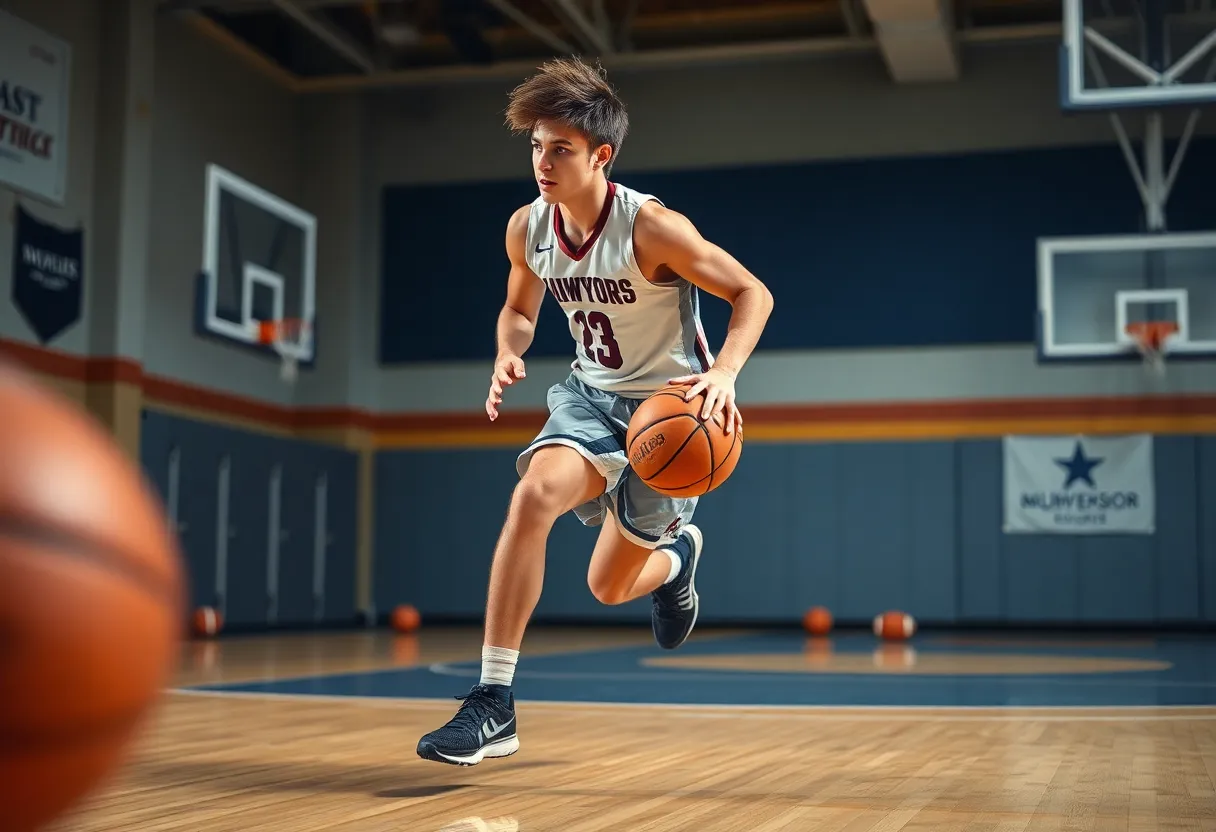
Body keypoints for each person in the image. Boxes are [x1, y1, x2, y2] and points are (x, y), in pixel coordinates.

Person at [416, 57, 774, 767]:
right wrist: (507, 350)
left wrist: (725, 375)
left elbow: (752, 293)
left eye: (561, 149)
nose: (542, 163)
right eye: (535, 147)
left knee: (608, 588)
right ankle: (493, 702)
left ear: (601, 156)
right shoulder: (528, 228)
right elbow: (520, 309)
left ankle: (677, 561)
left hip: (671, 413)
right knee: (532, 496)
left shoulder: (653, 228)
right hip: (589, 397)